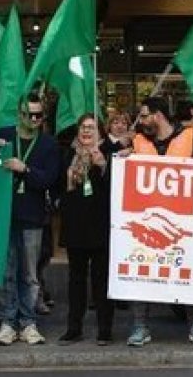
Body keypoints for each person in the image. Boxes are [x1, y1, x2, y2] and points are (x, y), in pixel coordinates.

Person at [122, 96, 193, 348]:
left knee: (189, 272)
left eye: (144, 115)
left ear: (158, 115)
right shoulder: (138, 141)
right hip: (145, 220)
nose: (141, 121)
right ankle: (140, 326)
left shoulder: (191, 138)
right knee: (140, 270)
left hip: (184, 221)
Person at [0, 94, 60, 346]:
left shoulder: (49, 144)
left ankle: (28, 322)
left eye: (39, 115)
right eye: (30, 114)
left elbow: (49, 179)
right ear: (19, 114)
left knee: (30, 275)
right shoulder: (3, 136)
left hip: (33, 216)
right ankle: (8, 322)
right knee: (6, 273)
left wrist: (25, 169)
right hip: (3, 216)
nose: (34, 119)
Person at [57, 114, 115, 346]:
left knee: (101, 280)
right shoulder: (68, 153)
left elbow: (117, 188)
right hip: (75, 224)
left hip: (100, 224)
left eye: (91, 127)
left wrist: (104, 167)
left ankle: (105, 329)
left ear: (100, 131)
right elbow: (60, 186)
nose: (86, 131)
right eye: (82, 127)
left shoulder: (109, 152)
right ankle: (74, 328)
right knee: (76, 280)